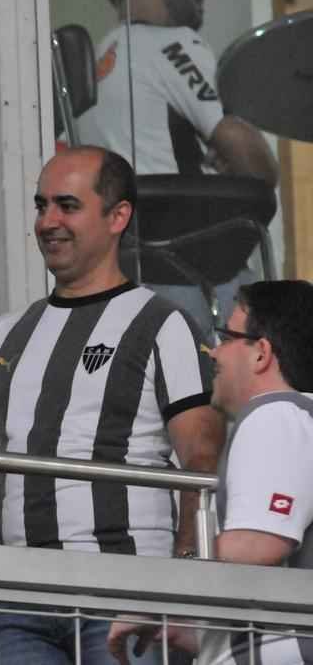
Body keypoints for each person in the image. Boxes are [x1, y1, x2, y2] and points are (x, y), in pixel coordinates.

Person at [0, 146, 224, 665]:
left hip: (128, 592)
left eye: (67, 205)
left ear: (118, 217)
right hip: (18, 600)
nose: (47, 221)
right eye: (40, 205)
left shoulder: (162, 322)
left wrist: (186, 582)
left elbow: (200, 463)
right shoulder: (1, 336)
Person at [78, 0, 279, 333]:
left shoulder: (98, 63)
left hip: (120, 283)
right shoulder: (172, 44)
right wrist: (244, 152)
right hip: (193, 278)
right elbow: (257, 166)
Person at [108, 281, 313, 665]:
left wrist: (156, 595)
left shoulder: (276, 415)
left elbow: (256, 544)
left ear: (261, 354)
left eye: (225, 336)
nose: (213, 351)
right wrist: (201, 628)